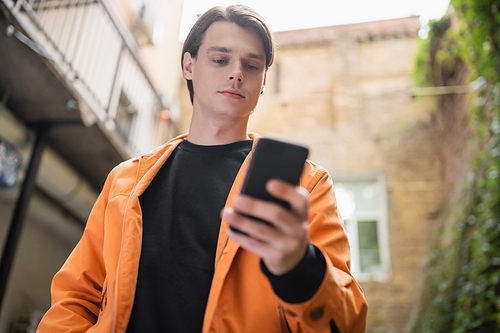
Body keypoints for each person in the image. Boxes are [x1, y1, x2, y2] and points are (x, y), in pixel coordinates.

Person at [37, 5, 367, 333]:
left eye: (252, 65)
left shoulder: (305, 186)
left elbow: (347, 322)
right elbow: (74, 299)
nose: (237, 73)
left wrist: (301, 268)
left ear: (264, 80)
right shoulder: (125, 181)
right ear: (189, 64)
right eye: (220, 59)